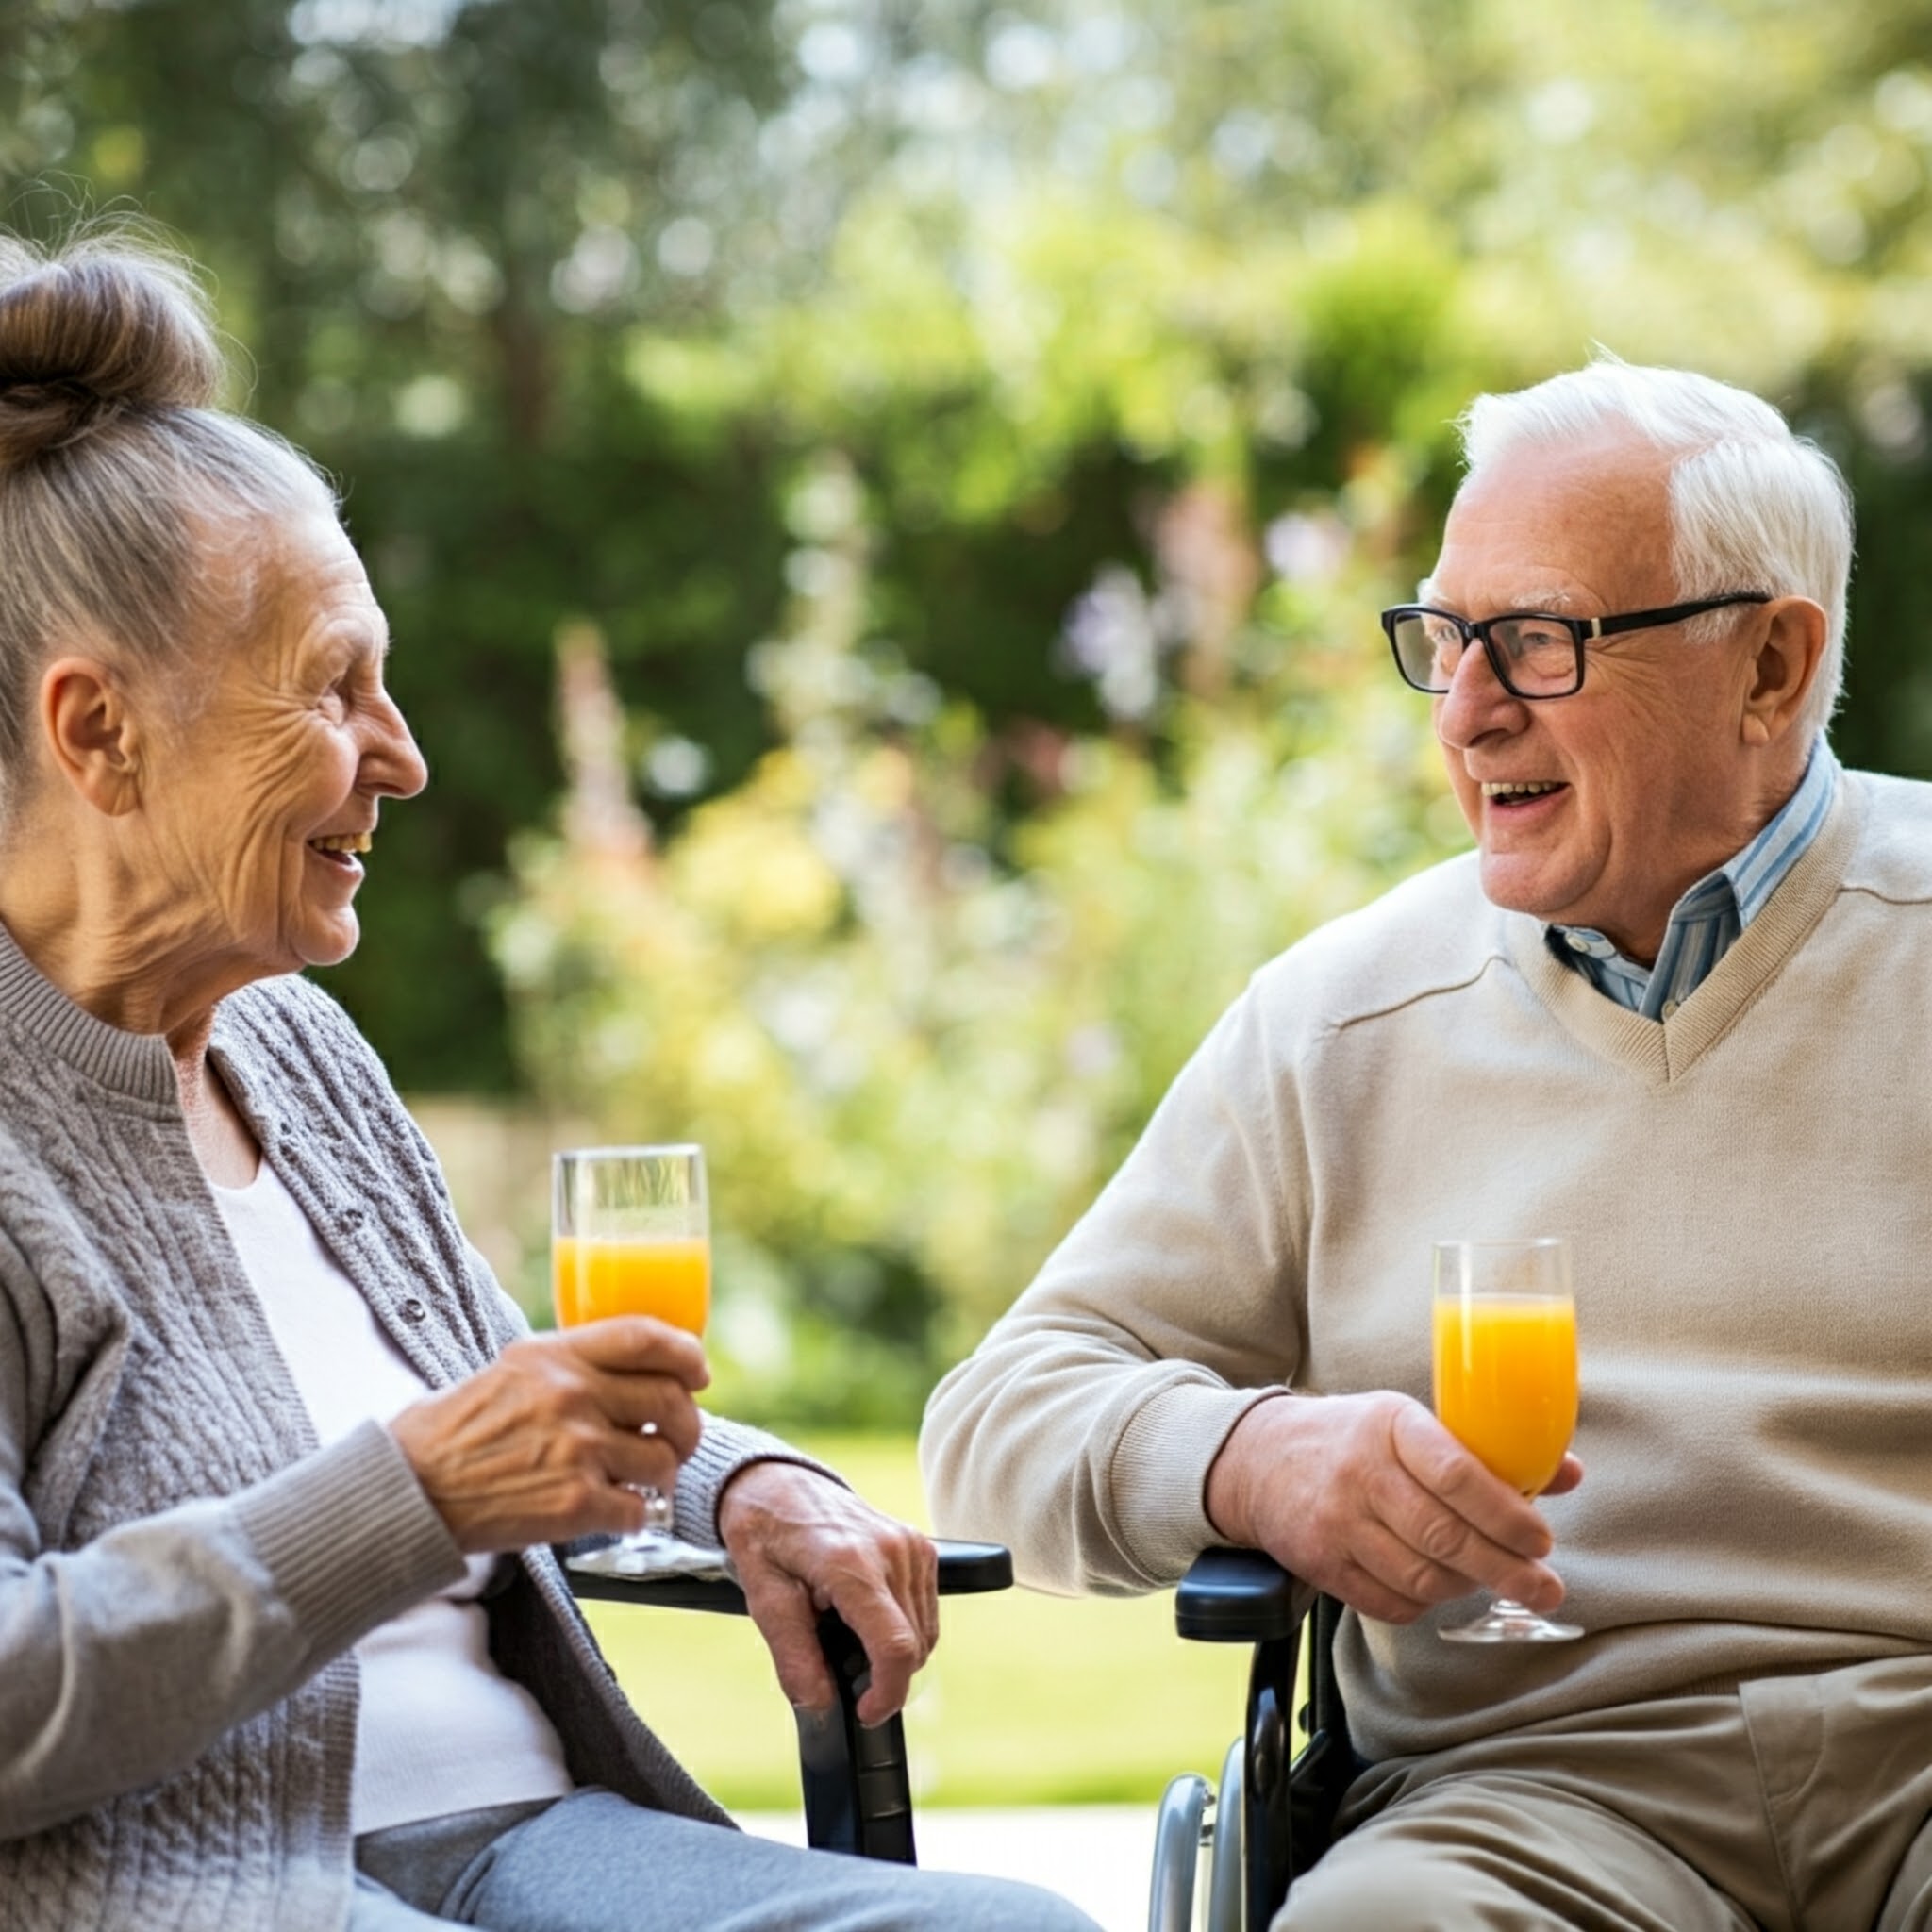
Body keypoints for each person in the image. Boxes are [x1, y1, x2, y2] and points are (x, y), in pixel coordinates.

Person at [0, 227, 1097, 1932]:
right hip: (195, 1886)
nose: (405, 755)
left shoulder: (298, 1048)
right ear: (97, 735)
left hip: (531, 1837)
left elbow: (502, 1407)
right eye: (332, 690)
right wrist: (416, 1495)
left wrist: (739, 1481)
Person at [922, 355, 1932, 1929]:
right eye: (1445, 640)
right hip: (1537, 1804)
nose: (1465, 713)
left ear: (1771, 668)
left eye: (1538, 642)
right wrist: (1243, 1456)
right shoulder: (1340, 1020)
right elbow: (994, 1425)